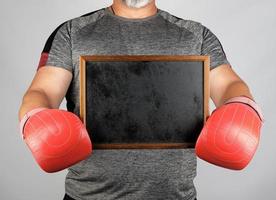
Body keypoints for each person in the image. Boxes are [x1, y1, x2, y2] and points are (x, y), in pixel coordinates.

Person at [18, 0, 263, 199]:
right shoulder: (72, 32)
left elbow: (229, 84)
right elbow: (43, 92)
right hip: (88, 196)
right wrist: (37, 118)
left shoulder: (196, 35)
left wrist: (241, 109)